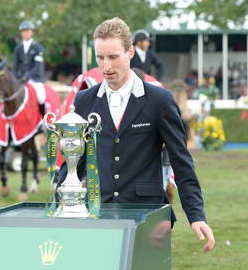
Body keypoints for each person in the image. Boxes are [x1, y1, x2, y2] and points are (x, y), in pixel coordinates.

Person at [60, 17, 215, 252]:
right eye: (100, 57)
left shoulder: (160, 100)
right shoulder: (84, 100)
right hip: (96, 213)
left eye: (113, 57)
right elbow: (75, 162)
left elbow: (181, 161)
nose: (106, 67)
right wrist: (56, 207)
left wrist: (196, 215)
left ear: (131, 52)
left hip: (149, 215)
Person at [12, 20, 47, 115]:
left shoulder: (38, 47)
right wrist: (15, 78)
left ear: (32, 32)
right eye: (23, 31)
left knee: (41, 97)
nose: (25, 33)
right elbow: (15, 66)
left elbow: (38, 66)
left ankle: (43, 119)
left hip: (35, 79)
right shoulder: (18, 48)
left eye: (27, 31)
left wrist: (27, 76)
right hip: (21, 79)